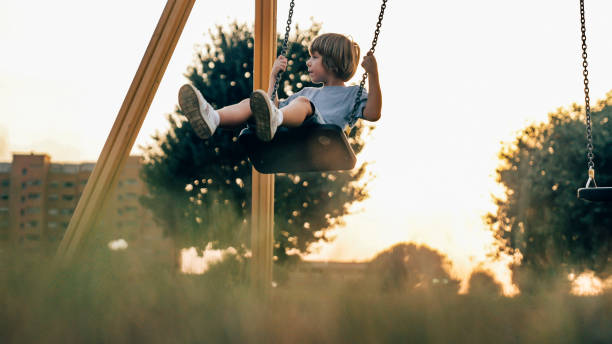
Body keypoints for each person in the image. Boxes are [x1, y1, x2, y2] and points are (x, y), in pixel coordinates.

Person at [178, 33, 382, 142]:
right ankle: (213, 118)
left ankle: (277, 120)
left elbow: (373, 114)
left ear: (332, 61)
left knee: (302, 104)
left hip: (323, 136)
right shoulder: (308, 92)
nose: (308, 62)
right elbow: (269, 106)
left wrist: (373, 74)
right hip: (289, 129)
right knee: (251, 102)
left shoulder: (353, 94)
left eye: (314, 57)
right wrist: (273, 77)